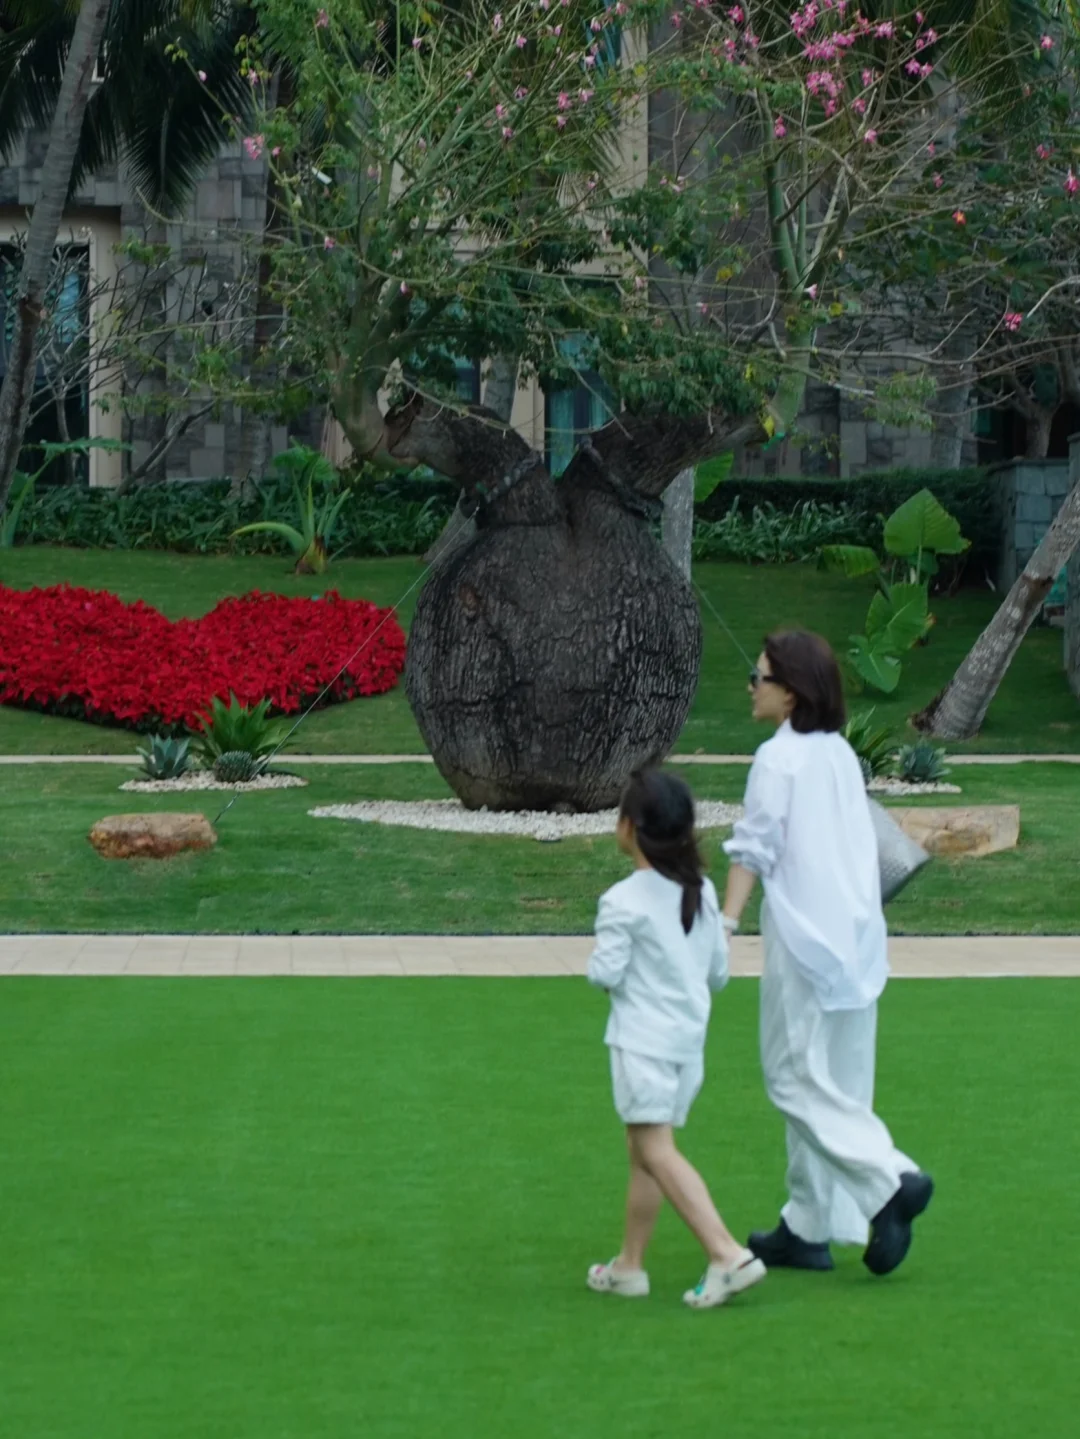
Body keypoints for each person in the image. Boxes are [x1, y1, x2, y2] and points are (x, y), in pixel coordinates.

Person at [721, 630, 933, 1277]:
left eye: (760, 677)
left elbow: (755, 847)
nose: (751, 687)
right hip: (855, 937)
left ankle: (889, 1179)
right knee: (834, 1080)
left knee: (792, 1077)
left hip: (806, 938)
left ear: (791, 692)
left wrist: (725, 923)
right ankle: (808, 1222)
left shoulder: (777, 760)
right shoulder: (839, 753)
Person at [585, 768, 766, 1310]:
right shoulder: (701, 891)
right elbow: (717, 973)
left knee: (656, 1150)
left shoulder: (622, 900)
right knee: (643, 1149)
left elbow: (605, 973)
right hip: (687, 1047)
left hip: (643, 1046)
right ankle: (629, 1266)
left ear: (630, 828)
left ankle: (726, 1254)